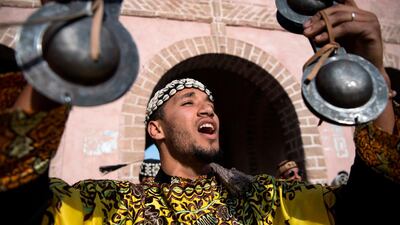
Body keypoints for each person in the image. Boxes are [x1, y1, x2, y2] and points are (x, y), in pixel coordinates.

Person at [1, 0, 400, 224]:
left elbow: (369, 210)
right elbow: (18, 201)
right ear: (155, 129)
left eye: (210, 104)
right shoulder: (104, 207)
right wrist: (59, 56)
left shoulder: (268, 202)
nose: (207, 108)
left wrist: (372, 73)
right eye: (188, 102)